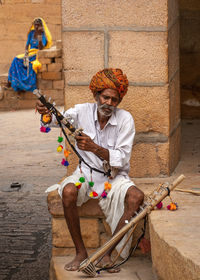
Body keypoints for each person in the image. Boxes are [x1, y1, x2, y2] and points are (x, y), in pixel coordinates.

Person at [36, 68, 144, 273]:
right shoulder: (80, 112)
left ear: (119, 101)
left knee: (136, 197)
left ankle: (107, 253)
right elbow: (58, 121)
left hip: (114, 177)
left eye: (114, 100)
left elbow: (121, 159)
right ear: (96, 95)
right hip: (86, 174)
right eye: (105, 97)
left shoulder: (125, 119)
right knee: (68, 192)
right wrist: (46, 114)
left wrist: (95, 148)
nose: (109, 104)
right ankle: (81, 253)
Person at [7, 18, 52, 92]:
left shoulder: (43, 34)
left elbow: (40, 48)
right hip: (30, 52)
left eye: (38, 25)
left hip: (37, 53)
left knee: (27, 64)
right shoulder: (31, 33)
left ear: (41, 25)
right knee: (16, 59)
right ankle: (11, 81)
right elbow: (27, 44)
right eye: (35, 25)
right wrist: (25, 53)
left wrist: (40, 35)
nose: (36, 26)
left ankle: (21, 85)